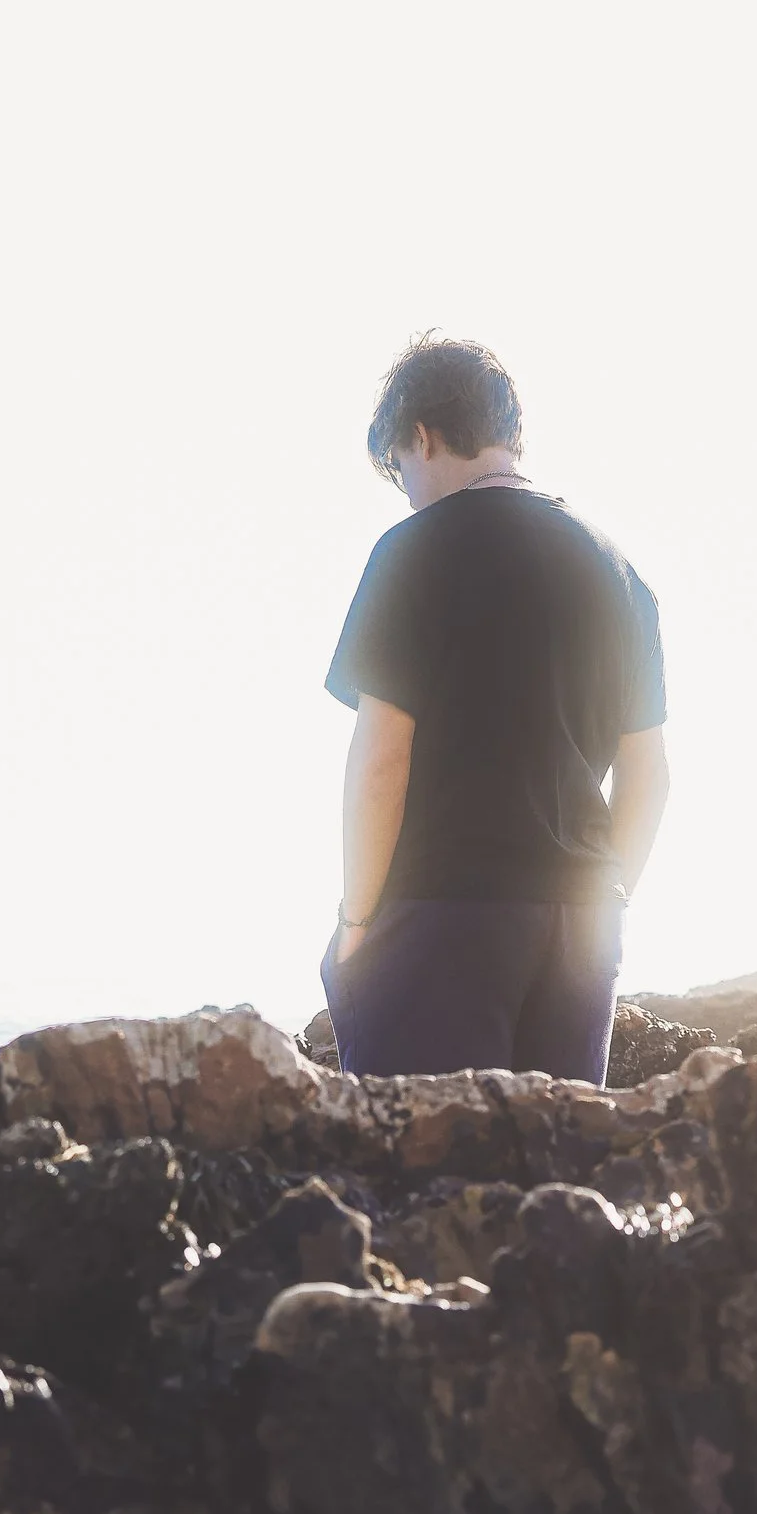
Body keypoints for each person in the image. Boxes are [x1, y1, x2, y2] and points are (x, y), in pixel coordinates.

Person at [320, 336, 669, 1081]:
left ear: (420, 435)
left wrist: (356, 920)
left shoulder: (413, 551)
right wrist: (606, 907)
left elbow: (382, 759)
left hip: (441, 916)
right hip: (581, 920)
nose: (408, 491)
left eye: (400, 468)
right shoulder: (621, 573)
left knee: (417, 1178)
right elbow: (649, 776)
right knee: (557, 1175)